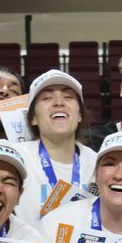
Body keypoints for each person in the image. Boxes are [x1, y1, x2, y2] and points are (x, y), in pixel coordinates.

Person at [14, 70, 98, 230]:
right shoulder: (17, 158)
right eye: (47, 98)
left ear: (80, 115)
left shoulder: (98, 164)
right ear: (33, 118)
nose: (59, 102)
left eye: (68, 97)